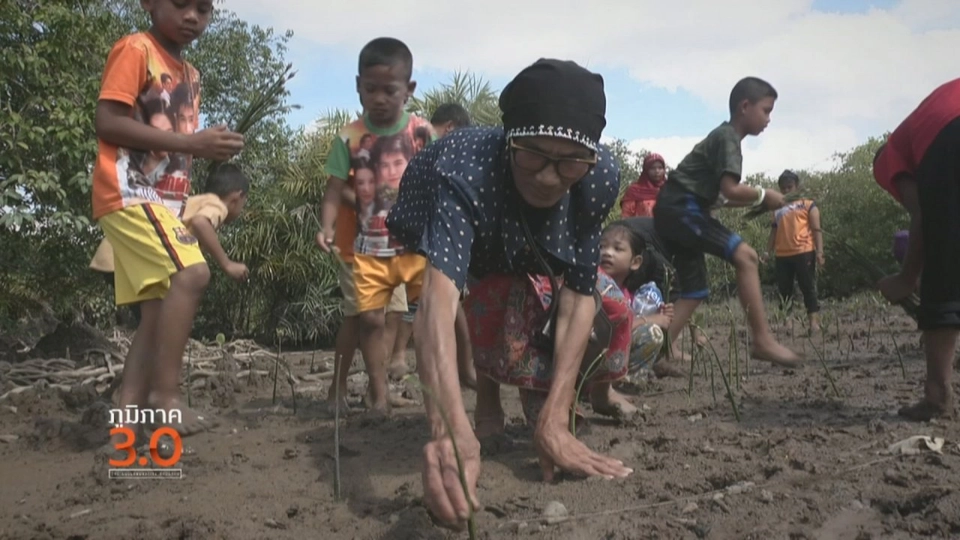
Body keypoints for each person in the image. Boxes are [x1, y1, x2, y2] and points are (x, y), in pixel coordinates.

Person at [387, 58, 634, 531]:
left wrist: (555, 420)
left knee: (596, 303)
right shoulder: (466, 166)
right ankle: (483, 406)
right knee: (492, 290)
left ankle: (541, 413)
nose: (547, 177)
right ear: (509, 141)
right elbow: (439, 303)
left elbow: (581, 293)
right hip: (460, 210)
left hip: (529, 234)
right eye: (533, 155)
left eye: (568, 163)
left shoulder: (597, 177)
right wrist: (446, 431)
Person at [93, 0, 244, 443]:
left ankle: (127, 420)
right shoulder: (135, 49)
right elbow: (107, 121)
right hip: (131, 192)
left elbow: (179, 145)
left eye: (204, 8)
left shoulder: (191, 76)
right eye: (181, 4)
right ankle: (166, 397)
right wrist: (193, 143)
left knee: (156, 316)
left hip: (165, 202)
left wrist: (204, 145)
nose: (193, 16)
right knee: (192, 272)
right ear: (148, 3)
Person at [315, 37, 435, 414]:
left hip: (415, 248)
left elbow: (439, 183)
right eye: (371, 89)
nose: (379, 98)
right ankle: (379, 394)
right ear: (358, 86)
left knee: (433, 314)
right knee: (368, 318)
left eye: (390, 90)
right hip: (368, 248)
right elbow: (334, 189)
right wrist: (326, 227)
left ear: (409, 90)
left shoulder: (420, 133)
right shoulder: (348, 137)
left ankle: (447, 383)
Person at [652, 77, 802, 373]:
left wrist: (762, 202)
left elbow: (721, 196)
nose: (768, 119)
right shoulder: (728, 138)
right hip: (683, 208)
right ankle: (762, 340)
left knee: (694, 290)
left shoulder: (723, 139)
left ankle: (659, 355)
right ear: (745, 106)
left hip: (675, 209)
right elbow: (732, 190)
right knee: (746, 257)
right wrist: (763, 194)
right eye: (766, 110)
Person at [874, 77, 960, 421]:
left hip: (952, 132)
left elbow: (924, 212)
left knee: (943, 271)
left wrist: (907, 278)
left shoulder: (889, 157)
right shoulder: (922, 119)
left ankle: (937, 396)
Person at [597, 221, 672, 390]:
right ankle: (606, 386)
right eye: (602, 247)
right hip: (589, 357)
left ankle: (622, 382)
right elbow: (610, 329)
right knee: (652, 332)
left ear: (635, 262)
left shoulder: (629, 295)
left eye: (617, 249)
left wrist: (660, 317)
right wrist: (651, 319)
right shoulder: (595, 287)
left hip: (606, 359)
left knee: (653, 333)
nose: (607, 253)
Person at [765, 170, 824, 334]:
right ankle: (787, 323)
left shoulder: (808, 204)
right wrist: (767, 252)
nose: (786, 191)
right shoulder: (777, 209)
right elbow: (774, 232)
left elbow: (816, 229)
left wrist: (820, 252)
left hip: (804, 251)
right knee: (784, 291)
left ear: (797, 187)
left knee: (808, 288)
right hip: (782, 254)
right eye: (783, 188)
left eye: (789, 187)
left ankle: (814, 323)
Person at [620, 153, 667, 218]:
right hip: (638, 227)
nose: (657, 171)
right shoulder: (634, 191)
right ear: (646, 170)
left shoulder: (669, 190)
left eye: (660, 168)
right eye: (652, 168)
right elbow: (626, 217)